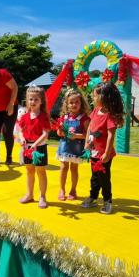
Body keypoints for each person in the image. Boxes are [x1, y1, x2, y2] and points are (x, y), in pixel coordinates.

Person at [81, 82, 124, 214]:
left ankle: (107, 200)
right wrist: (87, 143)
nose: (93, 99)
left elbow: (111, 135)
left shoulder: (109, 115)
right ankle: (93, 197)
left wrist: (106, 152)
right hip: (93, 152)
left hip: (104, 154)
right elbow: (90, 127)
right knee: (94, 176)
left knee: (104, 178)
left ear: (103, 97)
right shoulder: (95, 111)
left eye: (94, 96)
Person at [17, 86, 51, 209]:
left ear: (41, 101)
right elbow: (20, 130)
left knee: (40, 172)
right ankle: (29, 194)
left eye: (36, 99)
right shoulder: (25, 116)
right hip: (27, 147)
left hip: (39, 147)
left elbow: (45, 134)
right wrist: (22, 138)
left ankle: (42, 196)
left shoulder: (43, 116)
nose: (33, 102)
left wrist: (35, 144)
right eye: (30, 99)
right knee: (29, 171)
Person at [56, 89, 90, 201]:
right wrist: (60, 131)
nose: (74, 104)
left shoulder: (84, 118)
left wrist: (77, 135)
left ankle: (73, 190)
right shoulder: (64, 117)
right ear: (67, 104)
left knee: (74, 169)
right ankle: (62, 189)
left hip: (77, 147)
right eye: (71, 102)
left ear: (81, 103)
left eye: (77, 102)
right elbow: (59, 132)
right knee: (63, 167)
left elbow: (87, 135)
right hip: (65, 146)